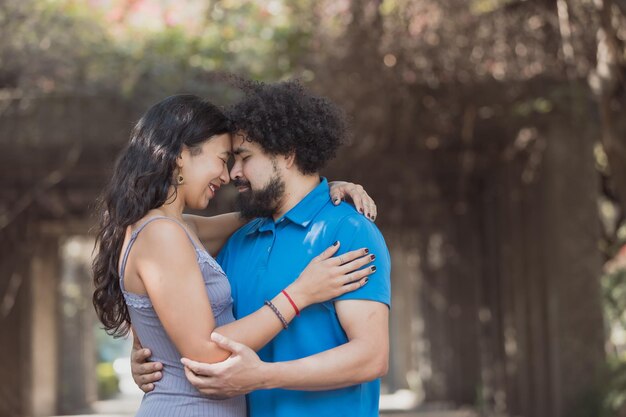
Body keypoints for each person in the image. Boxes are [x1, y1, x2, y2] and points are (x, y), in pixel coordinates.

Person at [92, 94, 379, 417]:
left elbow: (266, 213)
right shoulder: (162, 233)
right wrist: (301, 293)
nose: (228, 175)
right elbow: (205, 351)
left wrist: (316, 190)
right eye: (224, 158)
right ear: (182, 156)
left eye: (240, 159)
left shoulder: (183, 229)